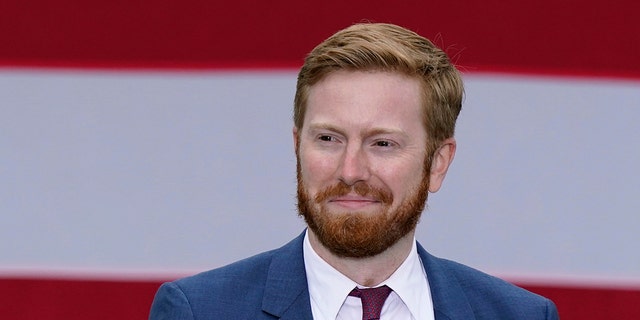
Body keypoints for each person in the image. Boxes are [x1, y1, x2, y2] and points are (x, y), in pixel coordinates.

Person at [149, 22, 559, 320]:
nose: (350, 170)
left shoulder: (520, 315)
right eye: (328, 139)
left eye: (382, 143)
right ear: (297, 147)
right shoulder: (199, 310)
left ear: (438, 163)